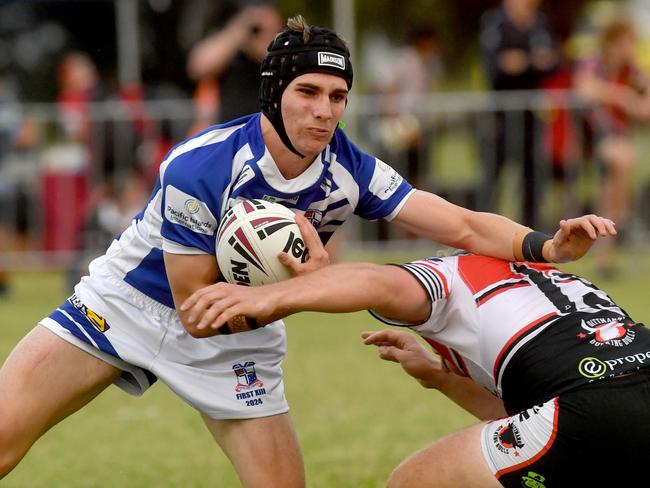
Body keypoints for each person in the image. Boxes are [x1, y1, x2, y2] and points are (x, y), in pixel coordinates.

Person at [0, 15, 615, 486]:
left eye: (338, 96)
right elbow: (193, 310)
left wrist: (544, 244)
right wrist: (304, 287)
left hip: (239, 339)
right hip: (127, 306)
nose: (325, 112)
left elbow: (458, 223)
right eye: (309, 92)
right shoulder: (202, 166)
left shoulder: (350, 168)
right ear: (274, 91)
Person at [186, 251, 650, 486]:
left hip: (590, 405)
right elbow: (527, 415)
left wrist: (265, 297)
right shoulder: (553, 279)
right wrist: (437, 376)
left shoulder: (452, 271)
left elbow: (373, 282)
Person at [573, 14, 650, 276]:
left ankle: (605, 254)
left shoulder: (632, 71)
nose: (631, 47)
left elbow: (644, 104)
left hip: (618, 139)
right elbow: (584, 88)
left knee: (614, 185)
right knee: (622, 161)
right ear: (614, 43)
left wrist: (636, 100)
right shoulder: (594, 64)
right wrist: (621, 96)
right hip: (590, 139)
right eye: (628, 42)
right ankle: (622, 218)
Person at [479, 0, 559, 229]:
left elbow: (552, 63)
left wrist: (521, 61)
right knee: (492, 176)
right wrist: (532, 61)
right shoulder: (495, 23)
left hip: (531, 116)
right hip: (499, 116)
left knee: (533, 177)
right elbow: (495, 67)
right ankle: (483, 231)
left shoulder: (540, 24)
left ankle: (529, 232)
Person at [187, 2, 283, 123]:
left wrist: (263, 45)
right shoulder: (231, 46)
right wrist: (236, 34)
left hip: (269, 126)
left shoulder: (283, 44)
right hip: (232, 128)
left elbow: (283, 69)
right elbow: (198, 67)